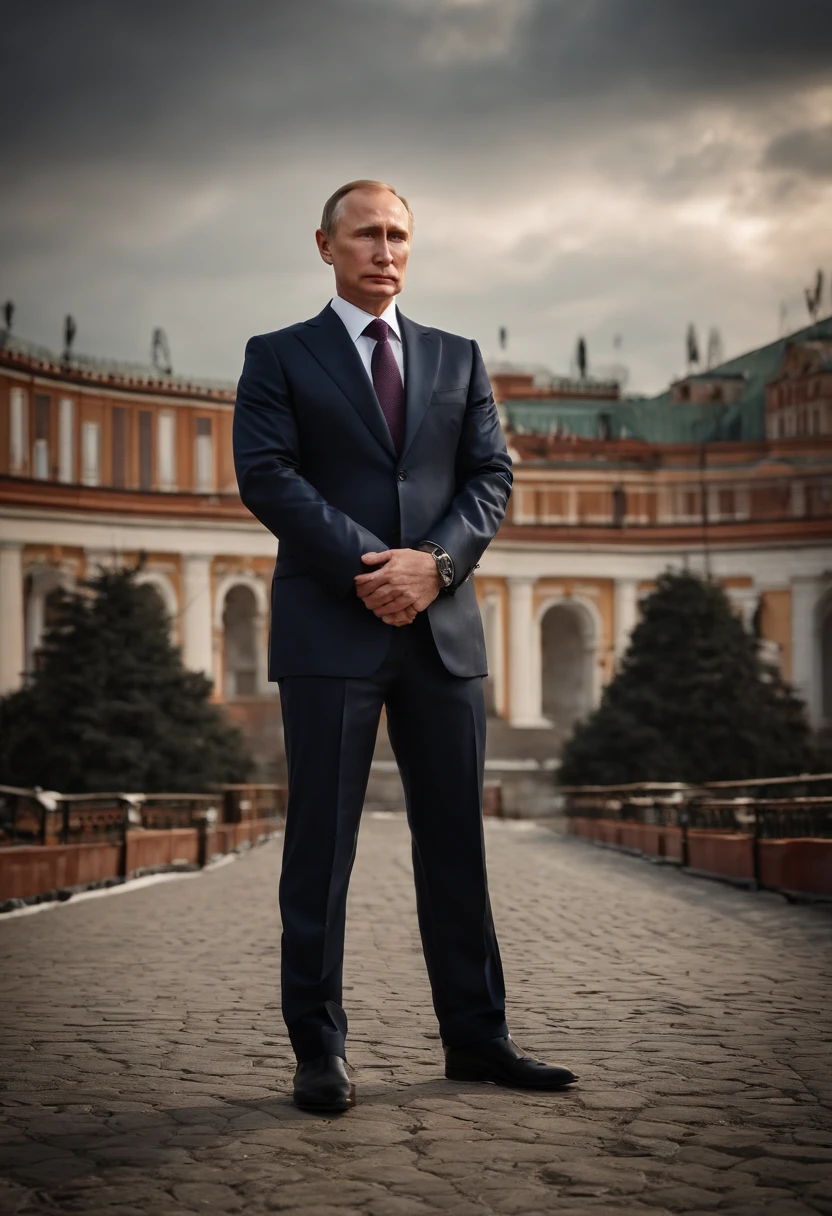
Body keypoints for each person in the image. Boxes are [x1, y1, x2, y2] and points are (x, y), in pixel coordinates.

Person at [233, 179, 577, 1112]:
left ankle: (478, 1039)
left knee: (456, 845)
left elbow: (490, 477)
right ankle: (319, 1050)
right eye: (365, 235)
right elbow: (266, 476)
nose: (384, 251)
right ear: (325, 246)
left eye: (398, 236)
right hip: (329, 630)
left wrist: (435, 566)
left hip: (444, 632)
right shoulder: (278, 357)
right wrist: (373, 568)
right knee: (321, 849)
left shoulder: (458, 358)